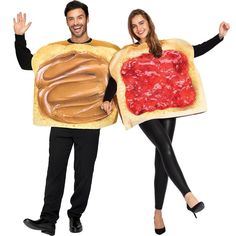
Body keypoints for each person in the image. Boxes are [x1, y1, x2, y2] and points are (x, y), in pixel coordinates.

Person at [102, 9, 230, 235]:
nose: (139, 28)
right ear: (131, 30)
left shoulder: (166, 46)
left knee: (162, 154)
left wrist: (218, 37)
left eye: (141, 23)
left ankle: (157, 212)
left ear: (149, 23)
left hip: (167, 105)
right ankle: (187, 194)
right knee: (164, 146)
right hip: (142, 109)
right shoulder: (127, 53)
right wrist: (105, 99)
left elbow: (193, 52)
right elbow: (115, 77)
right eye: (134, 26)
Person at [13, 1, 119, 235]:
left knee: (84, 173)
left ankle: (75, 216)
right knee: (55, 170)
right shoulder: (56, 50)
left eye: (79, 17)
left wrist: (110, 98)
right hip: (60, 122)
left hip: (91, 121)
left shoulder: (106, 49)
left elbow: (116, 76)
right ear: (67, 22)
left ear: (87, 19)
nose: (76, 23)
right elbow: (25, 63)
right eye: (71, 19)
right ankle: (48, 219)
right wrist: (19, 37)